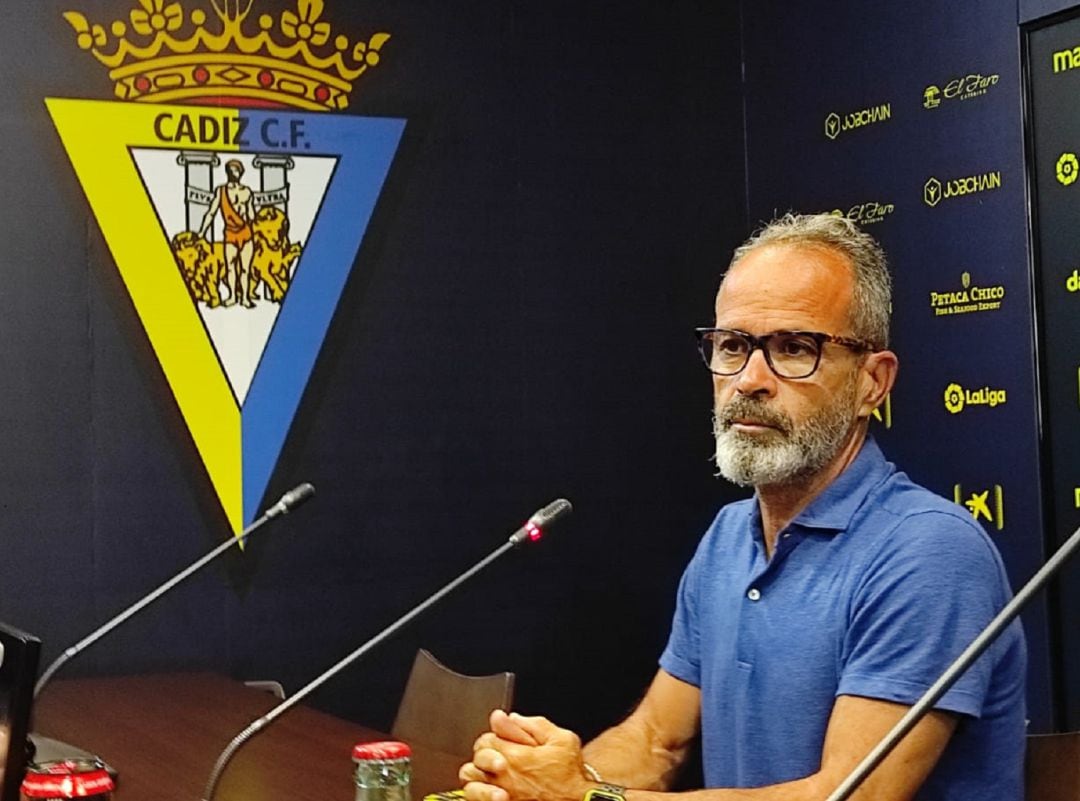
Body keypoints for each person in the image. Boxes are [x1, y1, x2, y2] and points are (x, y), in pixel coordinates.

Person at [460, 213, 1026, 801]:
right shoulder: (730, 535)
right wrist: (539, 780)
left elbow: (847, 795)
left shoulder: (930, 552)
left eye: (794, 348)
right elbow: (656, 742)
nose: (750, 379)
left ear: (872, 383)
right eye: (732, 346)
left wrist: (581, 798)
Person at [199, 158, 256, 308]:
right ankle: (232, 296)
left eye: (236, 170)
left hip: (245, 233)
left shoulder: (246, 192)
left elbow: (252, 215)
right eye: (231, 170)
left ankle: (245, 297)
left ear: (241, 173)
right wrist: (202, 232)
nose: (234, 173)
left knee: (245, 268)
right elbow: (211, 213)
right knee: (230, 266)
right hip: (230, 233)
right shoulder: (221, 191)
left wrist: (246, 212)